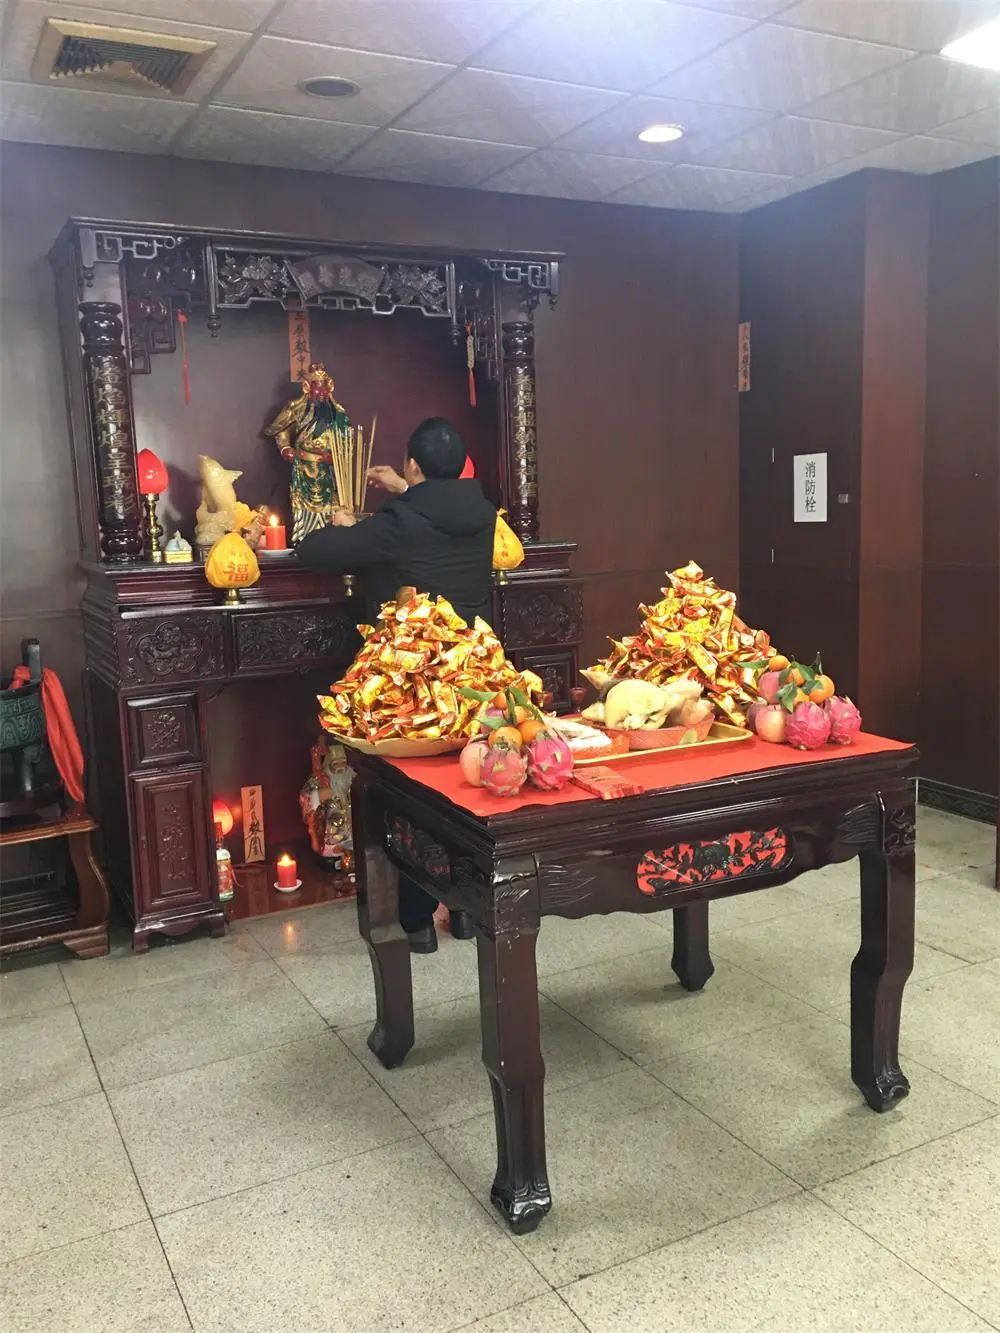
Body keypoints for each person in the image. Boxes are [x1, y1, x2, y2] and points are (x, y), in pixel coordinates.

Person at [296, 417, 496, 953]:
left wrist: (345, 525)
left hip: (412, 685)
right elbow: (433, 515)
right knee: (465, 788)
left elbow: (316, 551)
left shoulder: (400, 521)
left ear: (412, 463)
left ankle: (416, 922)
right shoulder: (481, 512)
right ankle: (466, 910)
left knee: (413, 797)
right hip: (471, 677)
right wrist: (403, 492)